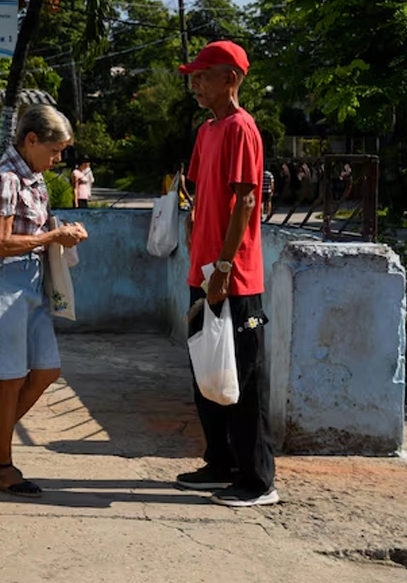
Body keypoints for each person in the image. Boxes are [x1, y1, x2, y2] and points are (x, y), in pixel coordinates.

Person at [174, 41, 278, 507]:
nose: (194, 84)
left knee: (246, 374)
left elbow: (248, 201)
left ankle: (258, 481)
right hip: (204, 272)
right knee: (205, 366)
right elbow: (198, 196)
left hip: (235, 280)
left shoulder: (242, 129)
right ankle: (219, 463)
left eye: (203, 75)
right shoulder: (207, 131)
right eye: (193, 76)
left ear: (230, 79)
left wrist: (223, 265)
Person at [0, 105, 88, 497]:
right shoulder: (6, 177)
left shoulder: (32, 177)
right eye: (54, 151)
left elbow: (32, 228)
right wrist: (53, 238)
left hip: (31, 280)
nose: (57, 160)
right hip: (5, 279)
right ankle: (1, 464)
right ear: (31, 140)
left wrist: (58, 232)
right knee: (10, 378)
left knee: (46, 370)